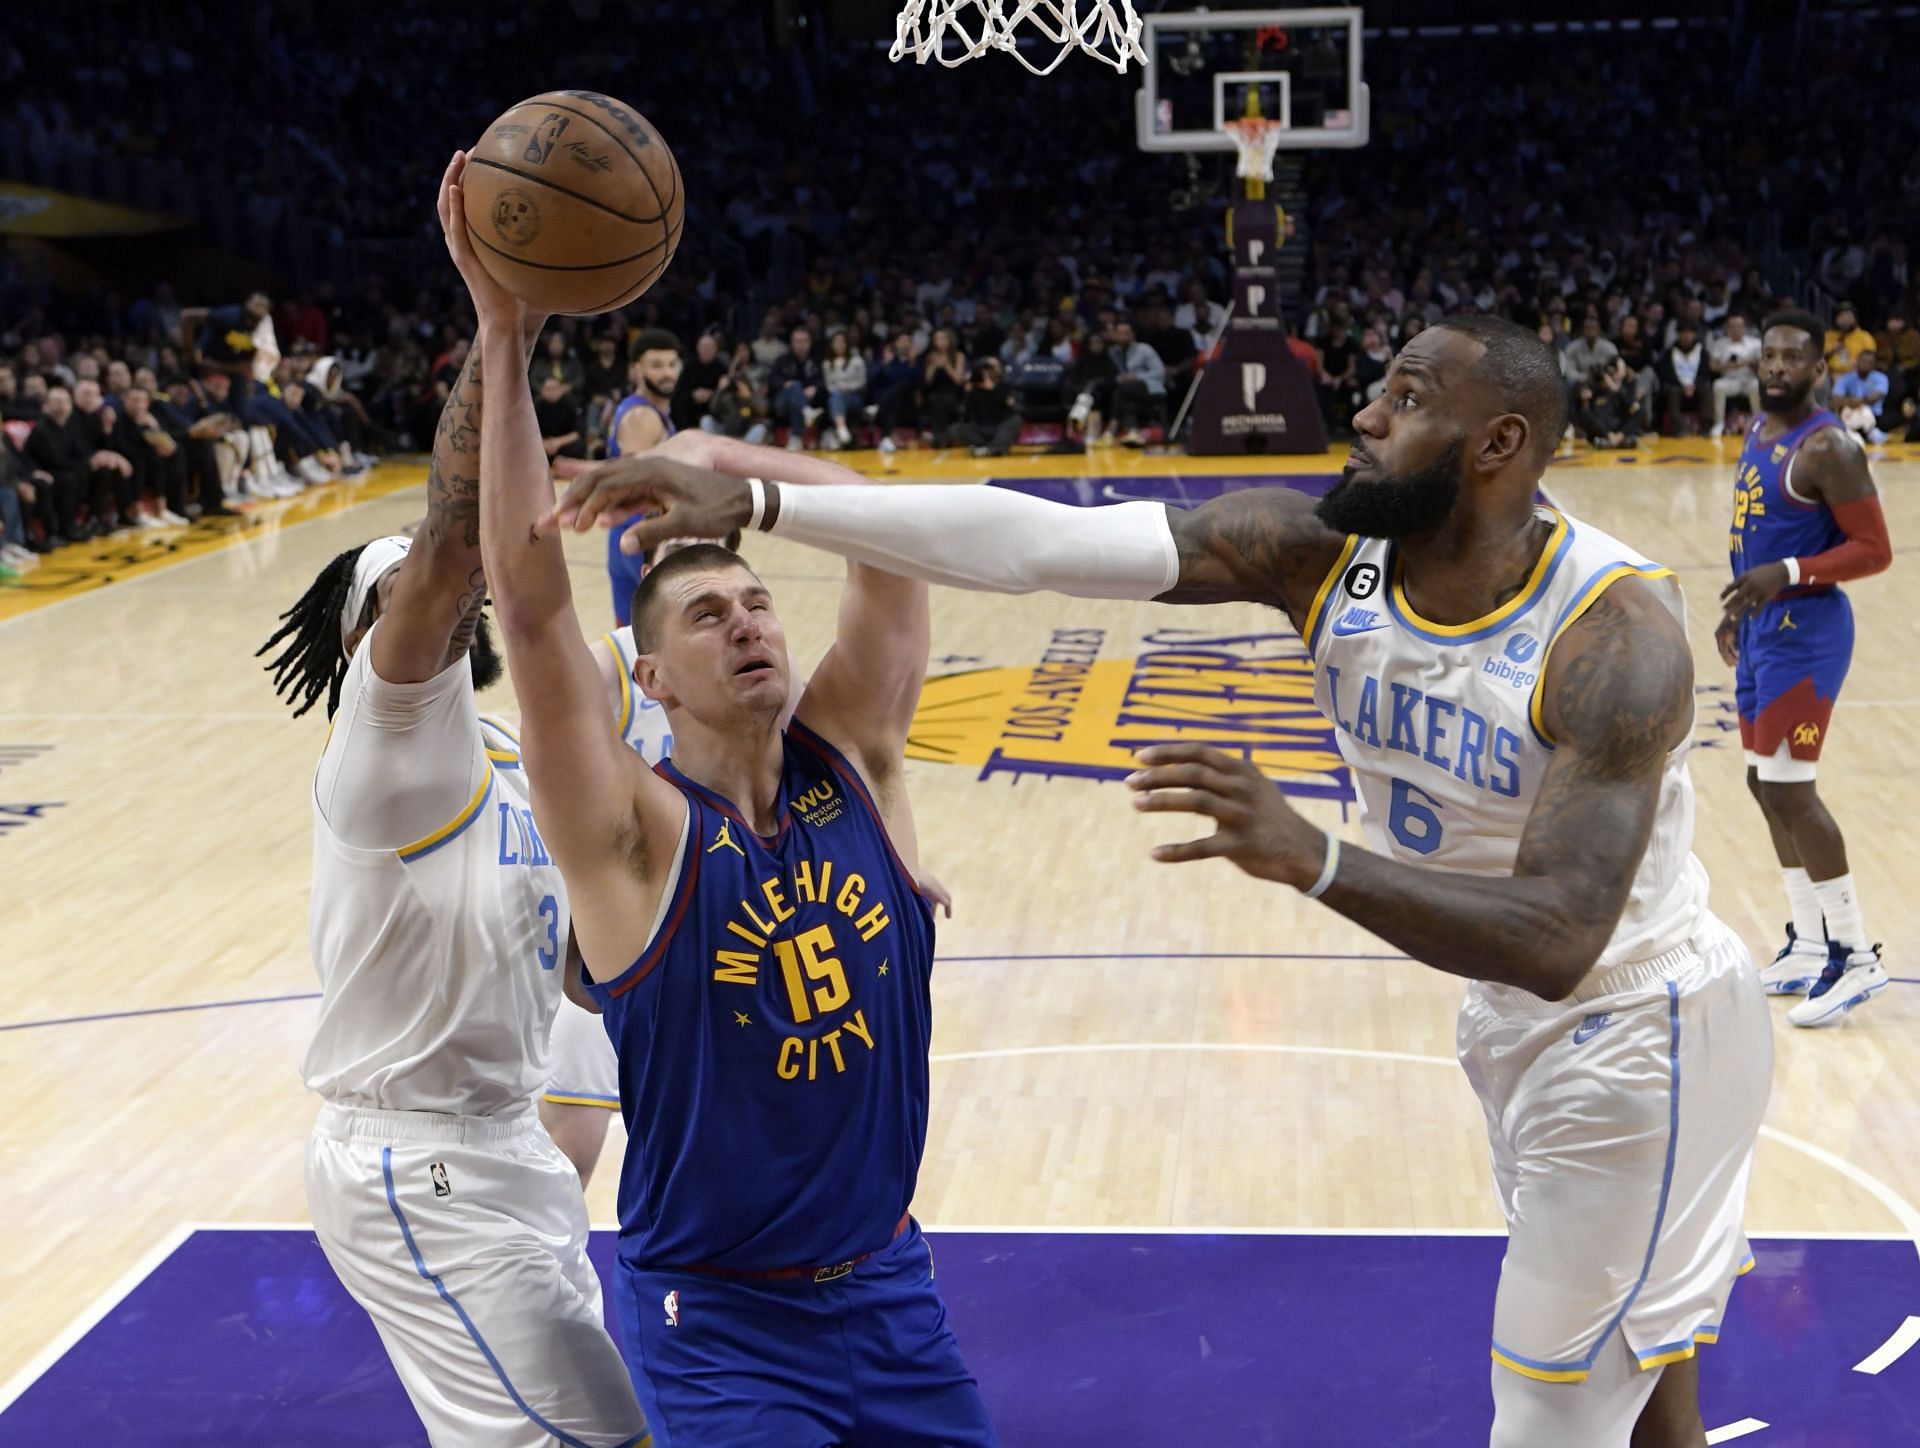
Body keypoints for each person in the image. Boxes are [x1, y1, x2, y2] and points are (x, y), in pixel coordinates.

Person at [559, 315, 1773, 1448]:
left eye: (1406, 400)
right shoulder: (1319, 553)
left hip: (1632, 1020)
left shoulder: (1614, 635)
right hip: (1523, 1024)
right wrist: (763, 500)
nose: (1364, 415)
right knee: (1644, 1346)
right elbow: (1036, 541)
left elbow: (1559, 932)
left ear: (1499, 444)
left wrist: (1317, 856)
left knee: (1551, 1406)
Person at [457, 192, 997, 1444]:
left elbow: (892, 541)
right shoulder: (634, 837)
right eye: (709, 617)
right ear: (651, 681)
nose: (749, 620)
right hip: (723, 1326)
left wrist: (739, 481)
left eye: (758, 603)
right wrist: (502, 333)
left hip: (892, 1290)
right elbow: (531, 609)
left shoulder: (854, 756)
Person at [255, 156, 649, 1448]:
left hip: (502, 1148)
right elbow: (447, 554)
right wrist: (508, 319)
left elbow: (579, 957)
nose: (445, 596)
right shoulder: (388, 752)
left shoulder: (504, 752)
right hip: (416, 1165)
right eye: (412, 596)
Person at [1719, 309, 1893, 1025]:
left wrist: (1785, 572)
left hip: (1808, 631)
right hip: (1762, 625)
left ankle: (1855, 955)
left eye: (1794, 359)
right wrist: (1738, 607)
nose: (1777, 368)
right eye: (1770, 357)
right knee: (1763, 784)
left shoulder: (1830, 448)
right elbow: (1751, 534)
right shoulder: (1758, 429)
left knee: (1792, 790)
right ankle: (1808, 940)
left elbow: (1876, 550)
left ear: (1819, 370)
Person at [600, 329, 683, 627]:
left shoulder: (643, 412)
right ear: (636, 369)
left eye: (672, 364)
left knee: (632, 639)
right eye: (657, 365)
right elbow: (633, 479)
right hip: (642, 537)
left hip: (627, 537)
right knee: (666, 635)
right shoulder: (642, 418)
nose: (667, 373)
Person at [1707, 314, 1762, 439]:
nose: (1736, 329)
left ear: (1745, 328)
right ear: (1727, 328)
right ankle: (1718, 424)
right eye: (1732, 327)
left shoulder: (1755, 343)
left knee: (1756, 386)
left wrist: (1748, 363)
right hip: (1730, 380)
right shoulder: (1720, 343)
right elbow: (1712, 365)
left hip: (1749, 379)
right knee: (1718, 386)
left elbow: (1762, 366)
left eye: (1739, 326)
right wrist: (1725, 366)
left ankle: (1758, 424)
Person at [1830, 348, 1889, 444]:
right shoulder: (1845, 378)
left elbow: (1873, 398)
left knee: (1865, 410)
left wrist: (1852, 401)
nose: (1865, 364)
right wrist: (1851, 402)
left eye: (1869, 362)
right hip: (1851, 415)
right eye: (1863, 361)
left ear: (1874, 364)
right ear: (1857, 361)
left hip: (1875, 418)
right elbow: (1836, 399)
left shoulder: (1881, 378)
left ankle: (1870, 432)